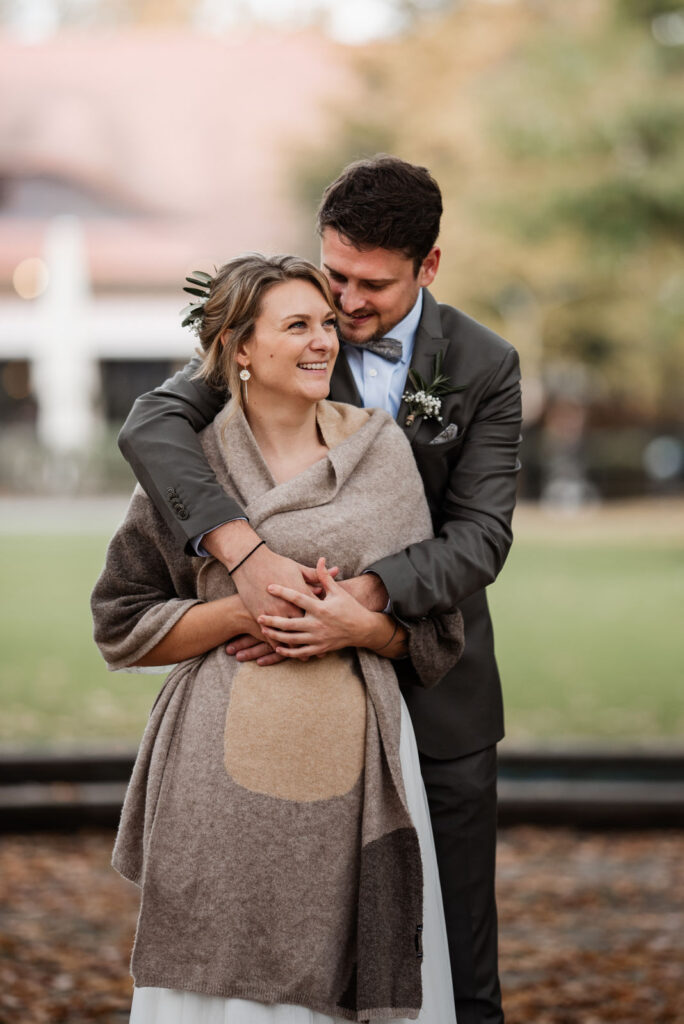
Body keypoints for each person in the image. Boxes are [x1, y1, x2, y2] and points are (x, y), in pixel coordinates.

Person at [118, 156, 523, 1024]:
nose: (343, 305)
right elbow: (152, 422)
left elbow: (481, 535)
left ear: (430, 267)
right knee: (292, 938)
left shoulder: (485, 364)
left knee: (455, 958)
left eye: (369, 285)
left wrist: (365, 602)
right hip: (288, 715)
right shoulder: (294, 333)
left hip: (433, 682)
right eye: (333, 272)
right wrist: (246, 553)